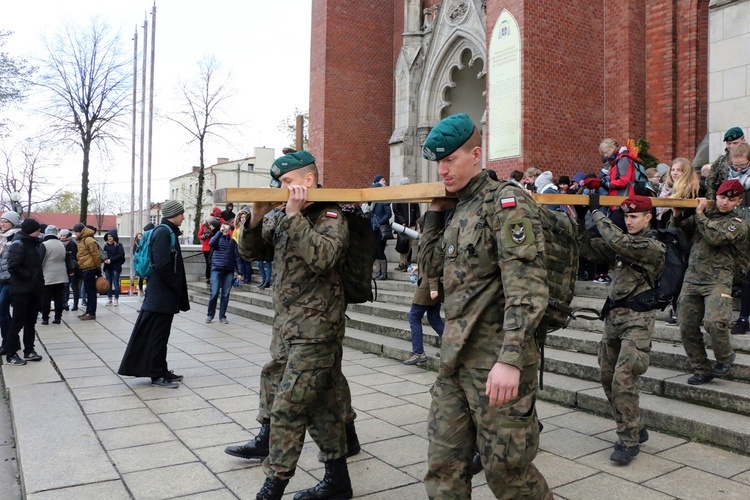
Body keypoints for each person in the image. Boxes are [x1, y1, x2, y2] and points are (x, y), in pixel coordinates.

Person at [420, 113, 551, 498]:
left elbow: (527, 290)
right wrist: (434, 211)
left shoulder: (507, 204)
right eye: (439, 162)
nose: (443, 170)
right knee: (443, 466)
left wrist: (511, 359)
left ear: (476, 154)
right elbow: (430, 267)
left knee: (507, 472)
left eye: (451, 160)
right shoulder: (457, 207)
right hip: (455, 361)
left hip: (495, 361)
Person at [232, 151, 355, 500]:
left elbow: (325, 258)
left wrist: (294, 216)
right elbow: (252, 253)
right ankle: (337, 480)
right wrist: (255, 219)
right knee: (321, 405)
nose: (280, 188)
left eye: (286, 182)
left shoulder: (329, 215)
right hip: (287, 327)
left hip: (317, 330)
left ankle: (274, 486)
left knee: (288, 406)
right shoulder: (281, 215)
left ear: (308, 181)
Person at [576, 195, 665, 465]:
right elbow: (588, 250)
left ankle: (628, 440)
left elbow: (618, 242)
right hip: (614, 319)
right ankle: (635, 426)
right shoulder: (622, 245)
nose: (629, 221)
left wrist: (596, 213)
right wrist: (581, 219)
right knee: (606, 377)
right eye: (626, 217)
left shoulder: (652, 246)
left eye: (634, 216)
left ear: (648, 217)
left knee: (623, 379)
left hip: (638, 321)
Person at [673, 179, 749, 385]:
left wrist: (699, 214)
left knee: (715, 322)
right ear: (716, 197)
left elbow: (715, 237)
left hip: (718, 279)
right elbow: (681, 230)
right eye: (722, 197)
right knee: (686, 325)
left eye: (731, 199)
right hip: (693, 278)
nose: (725, 202)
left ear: (738, 202)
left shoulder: (738, 224)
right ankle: (701, 368)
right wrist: (678, 214)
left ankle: (725, 357)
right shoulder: (704, 215)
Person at [118, 200, 189, 388]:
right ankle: (156, 375)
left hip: (161, 293)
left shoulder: (166, 231)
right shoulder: (164, 233)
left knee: (160, 334)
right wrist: (175, 284)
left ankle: (161, 369)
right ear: (173, 214)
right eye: (181, 213)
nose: (183, 216)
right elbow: (163, 264)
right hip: (161, 294)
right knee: (157, 335)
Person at [403, 217, 444, 365]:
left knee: (414, 317)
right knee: (434, 318)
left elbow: (434, 266)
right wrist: (417, 267)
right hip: (431, 286)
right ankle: (449, 347)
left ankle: (418, 352)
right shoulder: (432, 241)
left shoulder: (429, 242)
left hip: (427, 287)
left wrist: (433, 288)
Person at [5, 218, 45, 365]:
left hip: (34, 289)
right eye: (37, 229)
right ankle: (11, 354)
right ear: (30, 231)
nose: (40, 231)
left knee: (31, 322)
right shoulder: (19, 244)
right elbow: (13, 267)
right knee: (17, 322)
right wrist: (31, 277)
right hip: (21, 290)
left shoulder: (33, 244)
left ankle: (29, 350)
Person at [206, 221, 243, 324]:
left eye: (227, 228)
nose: (225, 229)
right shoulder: (217, 239)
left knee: (225, 294)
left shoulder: (232, 242)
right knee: (214, 293)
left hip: (228, 270)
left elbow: (237, 257)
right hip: (216, 269)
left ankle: (222, 316)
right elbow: (211, 243)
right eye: (223, 227)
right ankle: (210, 314)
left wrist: (240, 272)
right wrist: (220, 232)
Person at [0, 211, 22, 355]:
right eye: (1, 221)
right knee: (2, 311)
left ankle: (9, 342)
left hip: (10, 279)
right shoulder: (2, 238)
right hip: (1, 278)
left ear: (13, 223)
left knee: (2, 308)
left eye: (5, 221)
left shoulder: (16, 238)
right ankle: (10, 341)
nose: (2, 224)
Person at [706, 126, 746, 199]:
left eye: (735, 143)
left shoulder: (748, 158)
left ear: (743, 140)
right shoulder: (720, 161)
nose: (731, 146)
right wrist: (711, 206)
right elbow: (711, 185)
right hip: (726, 203)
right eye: (729, 143)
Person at [39, 225, 68, 325]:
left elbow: (40, 260)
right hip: (61, 274)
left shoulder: (44, 245)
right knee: (58, 297)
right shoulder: (62, 245)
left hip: (47, 275)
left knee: (45, 298)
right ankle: (58, 318)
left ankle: (45, 318)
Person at [72, 222, 102, 320]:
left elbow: (96, 255)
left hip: (90, 268)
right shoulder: (84, 239)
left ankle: (91, 312)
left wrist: (98, 269)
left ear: (80, 232)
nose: (75, 235)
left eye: (76, 232)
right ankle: (88, 311)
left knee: (91, 291)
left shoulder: (88, 240)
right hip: (86, 267)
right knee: (89, 291)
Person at [392, 177, 421, 272]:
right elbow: (396, 209)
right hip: (402, 225)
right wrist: (402, 221)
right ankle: (402, 263)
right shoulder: (398, 196)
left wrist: (417, 221)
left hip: (411, 224)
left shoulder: (413, 196)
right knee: (402, 243)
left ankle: (405, 263)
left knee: (409, 244)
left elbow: (417, 210)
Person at [370, 174, 392, 281]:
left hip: (381, 228)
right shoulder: (372, 202)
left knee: (380, 249)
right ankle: (378, 271)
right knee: (375, 249)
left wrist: (380, 221)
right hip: (374, 228)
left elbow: (389, 213)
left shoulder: (383, 201)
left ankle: (384, 273)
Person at [198, 208, 222, 285]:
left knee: (212, 263)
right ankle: (208, 277)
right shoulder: (204, 226)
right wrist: (203, 236)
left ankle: (213, 277)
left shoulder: (217, 226)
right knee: (208, 263)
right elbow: (199, 235)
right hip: (206, 246)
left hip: (213, 247)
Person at [103, 230, 125, 306]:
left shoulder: (119, 245)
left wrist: (111, 260)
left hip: (116, 266)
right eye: (108, 236)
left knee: (116, 282)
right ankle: (109, 298)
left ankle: (116, 299)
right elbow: (104, 254)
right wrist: (105, 260)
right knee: (108, 283)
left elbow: (121, 255)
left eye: (111, 236)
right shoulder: (106, 245)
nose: (109, 238)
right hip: (107, 266)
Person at [232, 211, 254, 283]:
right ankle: (244, 276)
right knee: (241, 262)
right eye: (242, 217)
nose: (243, 219)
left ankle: (248, 278)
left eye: (244, 217)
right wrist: (236, 241)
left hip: (246, 247)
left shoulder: (249, 226)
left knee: (246, 262)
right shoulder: (238, 227)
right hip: (239, 246)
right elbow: (234, 235)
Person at [132, 232, 146, 297]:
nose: (140, 237)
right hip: (139, 261)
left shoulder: (145, 243)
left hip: (144, 260)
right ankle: (141, 290)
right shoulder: (136, 244)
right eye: (139, 236)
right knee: (141, 276)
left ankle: (145, 289)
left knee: (146, 275)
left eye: (141, 236)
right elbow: (134, 253)